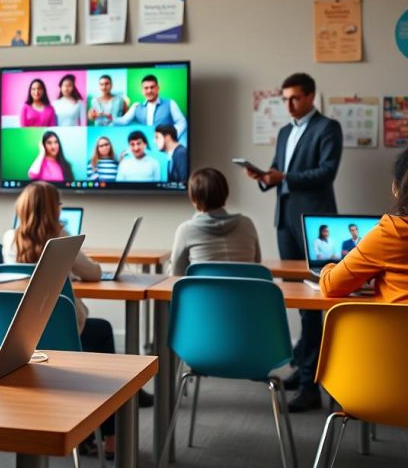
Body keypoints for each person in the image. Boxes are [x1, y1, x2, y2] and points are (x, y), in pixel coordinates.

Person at [0, 181, 141, 456]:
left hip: (18, 336)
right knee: (102, 332)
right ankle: (110, 437)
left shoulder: (9, 237)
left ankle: (85, 431)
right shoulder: (63, 238)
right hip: (61, 333)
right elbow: (94, 273)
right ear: (55, 209)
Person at [245, 72, 342, 413]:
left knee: (316, 298)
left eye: (294, 98)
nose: (288, 104)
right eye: (284, 98)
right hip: (285, 221)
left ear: (311, 97)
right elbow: (276, 170)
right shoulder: (286, 131)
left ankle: (312, 383)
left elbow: (326, 172)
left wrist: (283, 176)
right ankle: (302, 366)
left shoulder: (328, 128)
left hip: (317, 226)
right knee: (296, 300)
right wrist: (263, 177)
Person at [320, 148, 408, 302]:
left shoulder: (392, 232)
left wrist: (327, 268)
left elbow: (330, 286)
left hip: (392, 326)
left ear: (397, 188)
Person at [170, 168, 262, 276]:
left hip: (203, 293)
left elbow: (175, 275)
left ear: (193, 198)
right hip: (245, 293)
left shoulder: (185, 230)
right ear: (226, 193)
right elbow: (257, 262)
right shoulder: (247, 224)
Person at [113, 74, 187, 140]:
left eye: (152, 87)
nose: (149, 91)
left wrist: (172, 136)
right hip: (146, 142)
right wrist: (110, 119)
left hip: (166, 143)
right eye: (146, 88)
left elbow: (182, 122)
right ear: (142, 90)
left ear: (158, 88)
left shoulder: (171, 103)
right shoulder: (136, 106)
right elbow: (124, 121)